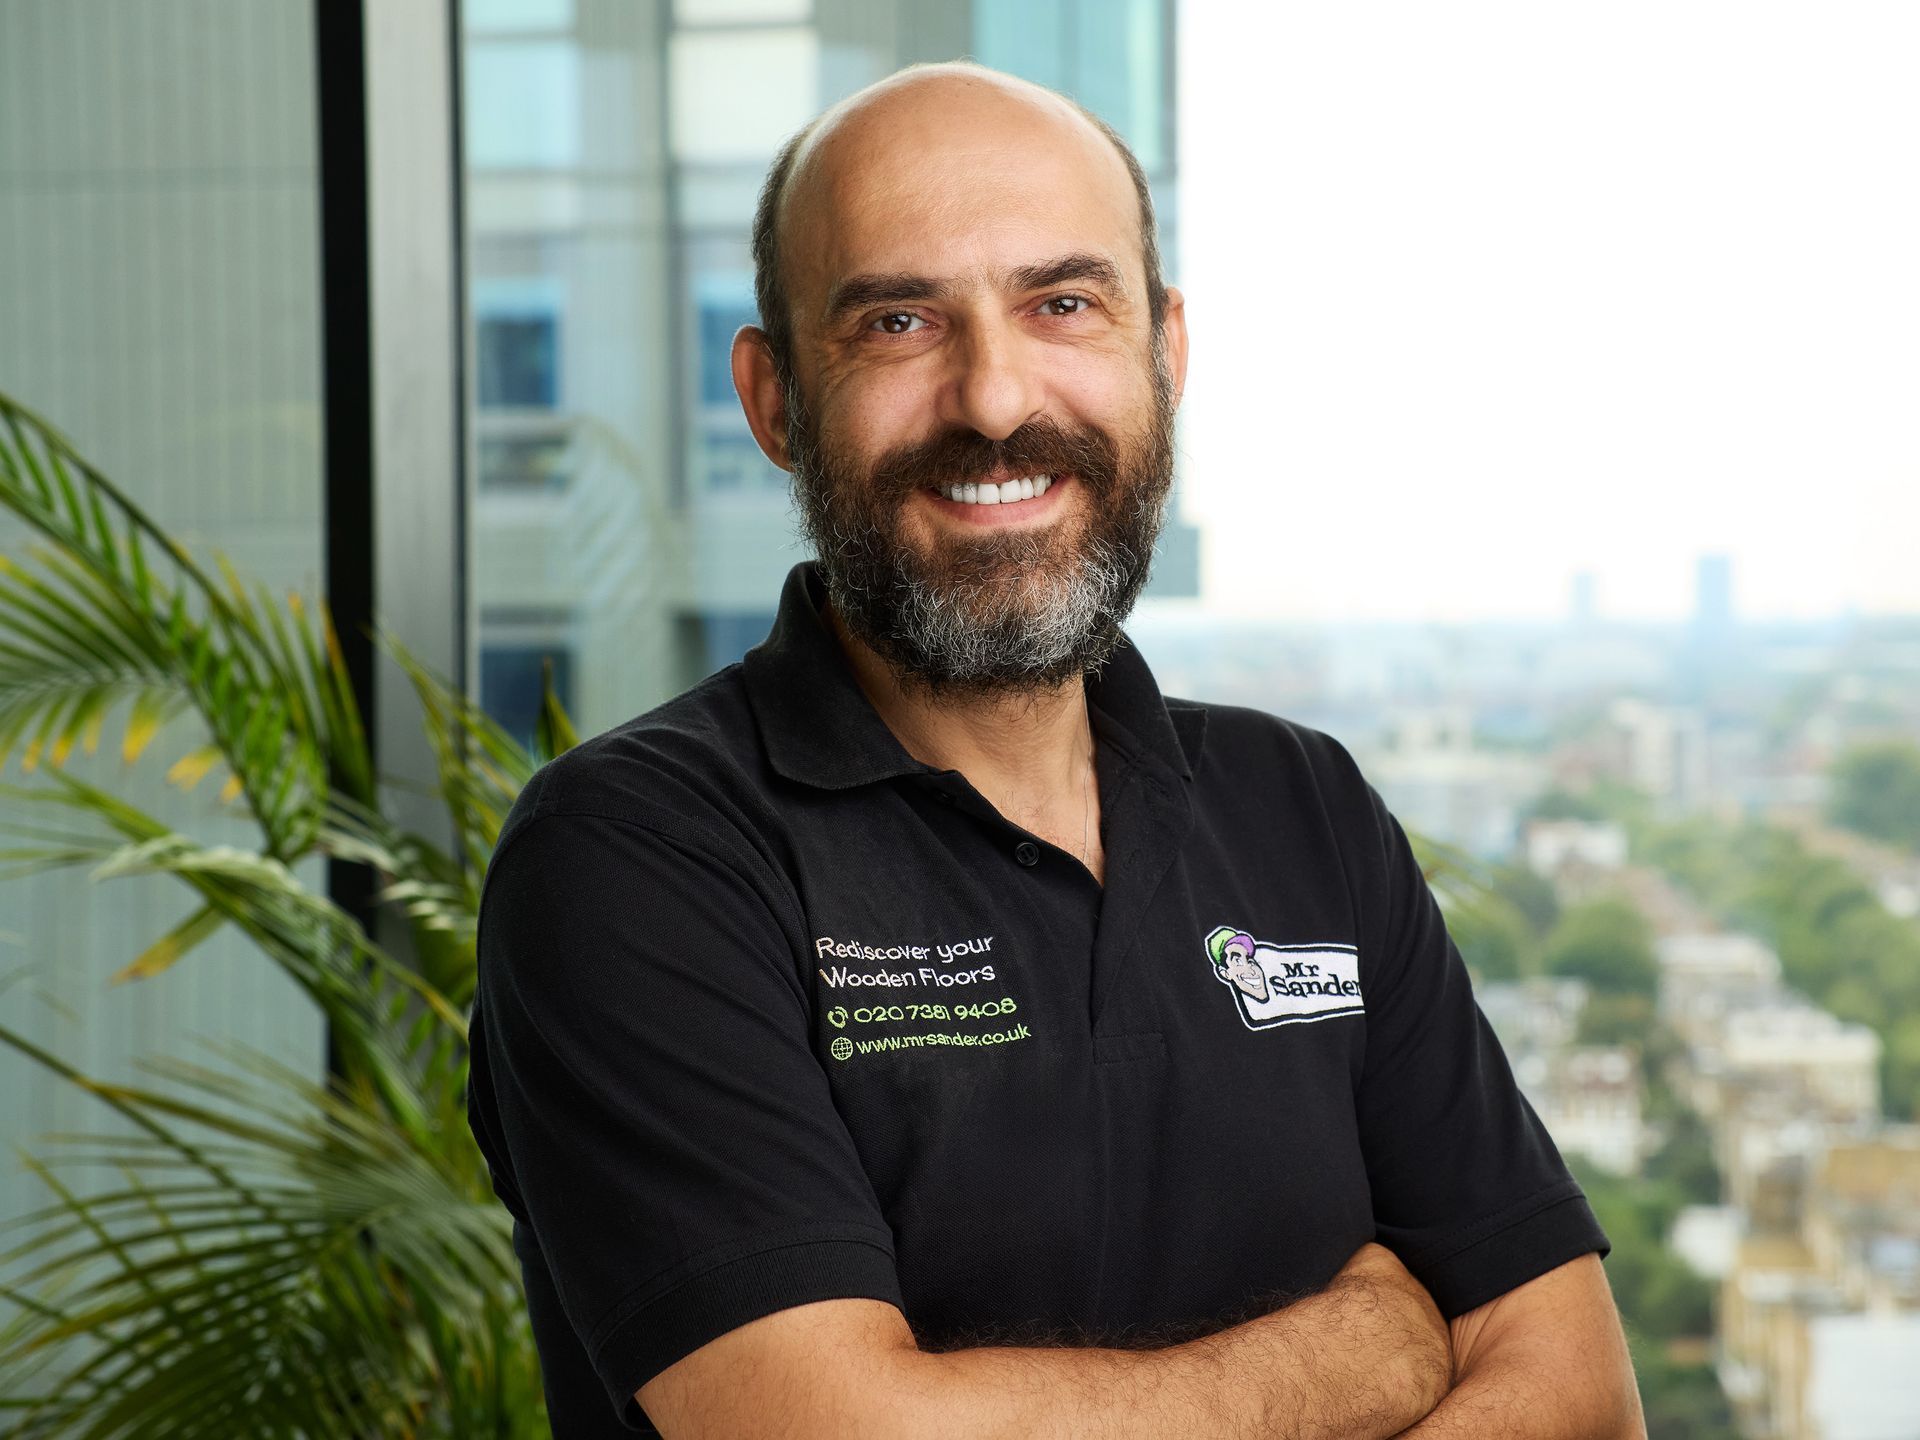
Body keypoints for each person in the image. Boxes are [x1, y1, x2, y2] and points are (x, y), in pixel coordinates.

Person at [465, 61, 1646, 1438]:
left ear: (1166, 355)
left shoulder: (1303, 804)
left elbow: (1577, 1394)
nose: (992, 398)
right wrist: (1361, 1351)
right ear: (775, 400)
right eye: (899, 321)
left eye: (1063, 304)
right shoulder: (637, 855)